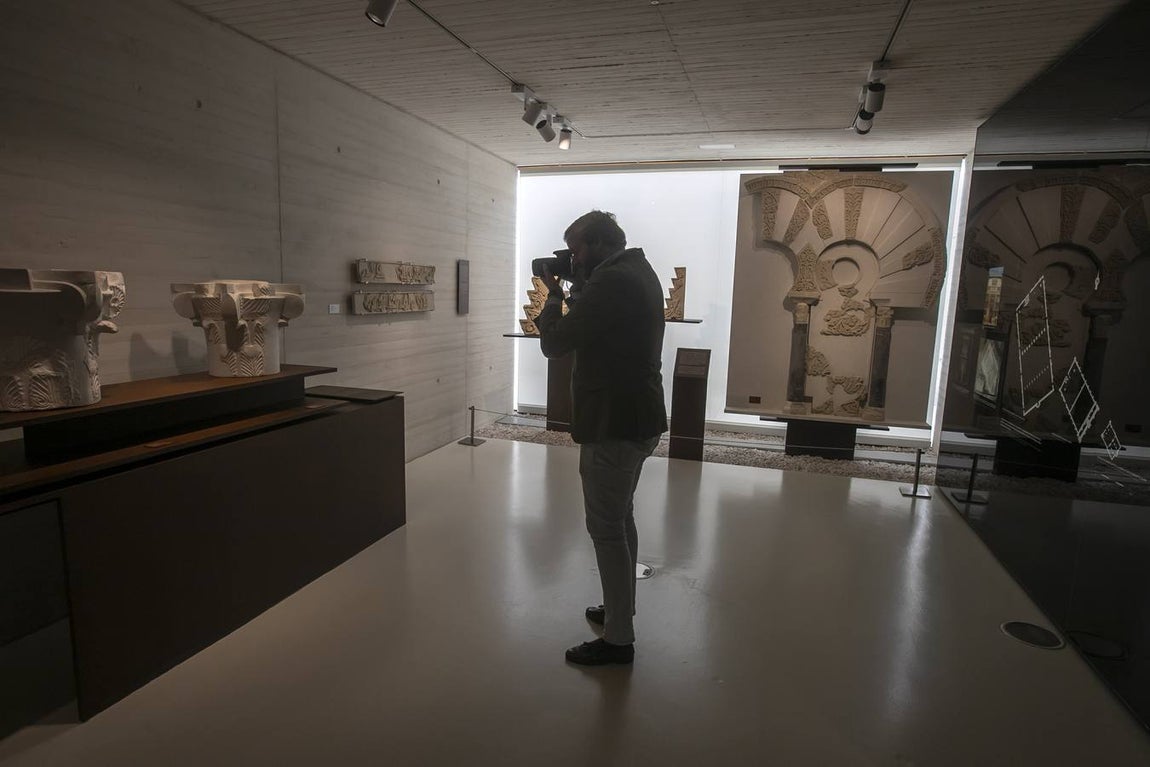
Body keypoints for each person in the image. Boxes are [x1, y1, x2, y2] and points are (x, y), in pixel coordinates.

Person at [536, 210, 667, 666]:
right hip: (637, 416)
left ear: (596, 245)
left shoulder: (611, 282)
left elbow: (555, 343)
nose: (572, 260)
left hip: (615, 422)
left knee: (606, 529)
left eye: (576, 251)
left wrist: (553, 295)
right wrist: (578, 284)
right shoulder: (636, 270)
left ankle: (618, 639)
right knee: (621, 518)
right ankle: (619, 611)